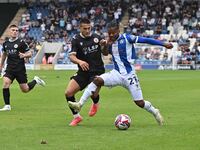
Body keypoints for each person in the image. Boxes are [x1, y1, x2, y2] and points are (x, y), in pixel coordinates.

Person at [68, 21, 173, 126]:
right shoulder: (110, 42)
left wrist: (163, 44)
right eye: (109, 33)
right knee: (97, 80)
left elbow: (145, 40)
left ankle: (155, 111)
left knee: (139, 103)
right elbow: (104, 53)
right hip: (116, 74)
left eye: (113, 33)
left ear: (118, 31)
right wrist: (104, 45)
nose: (111, 35)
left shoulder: (127, 38)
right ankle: (80, 104)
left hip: (129, 75)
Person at [65, 18, 108, 126]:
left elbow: (106, 53)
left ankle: (95, 102)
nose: (88, 31)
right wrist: (80, 62)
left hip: (97, 71)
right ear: (80, 28)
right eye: (85, 28)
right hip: (83, 72)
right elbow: (71, 56)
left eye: (89, 28)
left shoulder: (97, 37)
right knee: (68, 93)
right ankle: (77, 117)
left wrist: (104, 46)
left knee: (93, 94)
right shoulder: (75, 39)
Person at [0, 24, 46, 111]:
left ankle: (36, 80)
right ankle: (7, 105)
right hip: (9, 69)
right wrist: (1, 66)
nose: (15, 32)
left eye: (16, 30)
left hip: (20, 70)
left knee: (25, 89)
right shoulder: (6, 44)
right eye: (13, 30)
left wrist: (24, 55)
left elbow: (30, 53)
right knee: (6, 83)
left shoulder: (21, 42)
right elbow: (4, 55)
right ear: (9, 32)